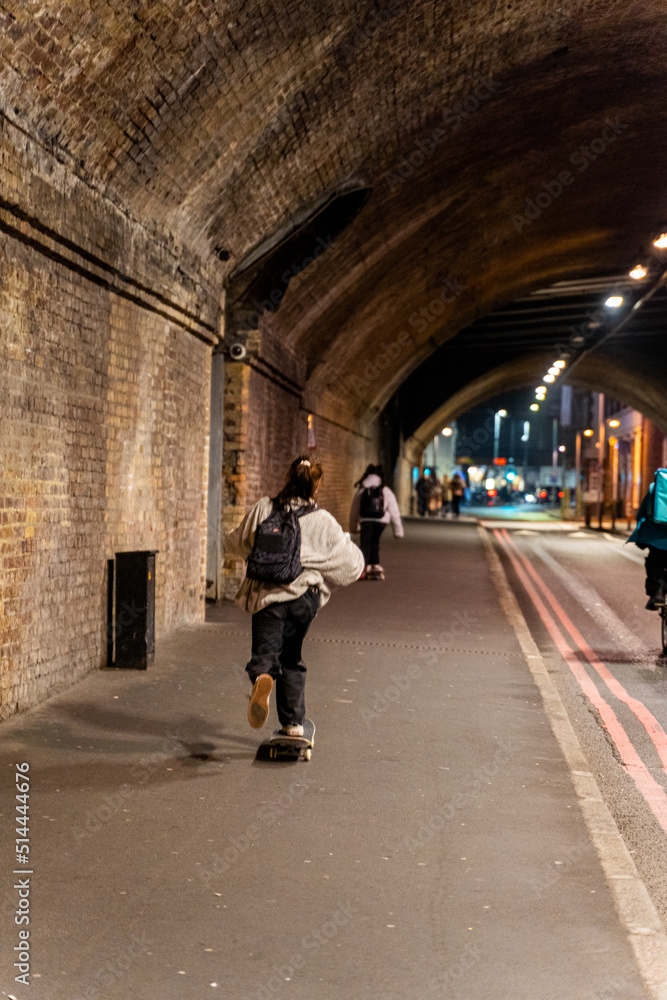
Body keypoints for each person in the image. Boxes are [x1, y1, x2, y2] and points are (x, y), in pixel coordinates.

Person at [226, 455, 364, 735]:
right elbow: (351, 567)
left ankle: (263, 675)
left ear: (288, 478)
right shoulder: (323, 520)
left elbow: (237, 542)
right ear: (317, 484)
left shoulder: (263, 509)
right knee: (292, 657)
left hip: (268, 597)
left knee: (265, 655)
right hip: (303, 599)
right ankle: (293, 724)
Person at [349, 463, 404, 579]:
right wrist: (398, 530)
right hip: (381, 521)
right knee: (375, 541)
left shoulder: (362, 490)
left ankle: (362, 566)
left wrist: (353, 527)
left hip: (366, 520)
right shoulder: (385, 490)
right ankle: (374, 564)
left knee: (365, 544)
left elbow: (354, 510)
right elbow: (394, 510)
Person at [628, 475, 667, 610]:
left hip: (657, 538)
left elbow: (642, 514)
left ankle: (657, 592)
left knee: (654, 563)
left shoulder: (655, 488)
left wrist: (641, 536)